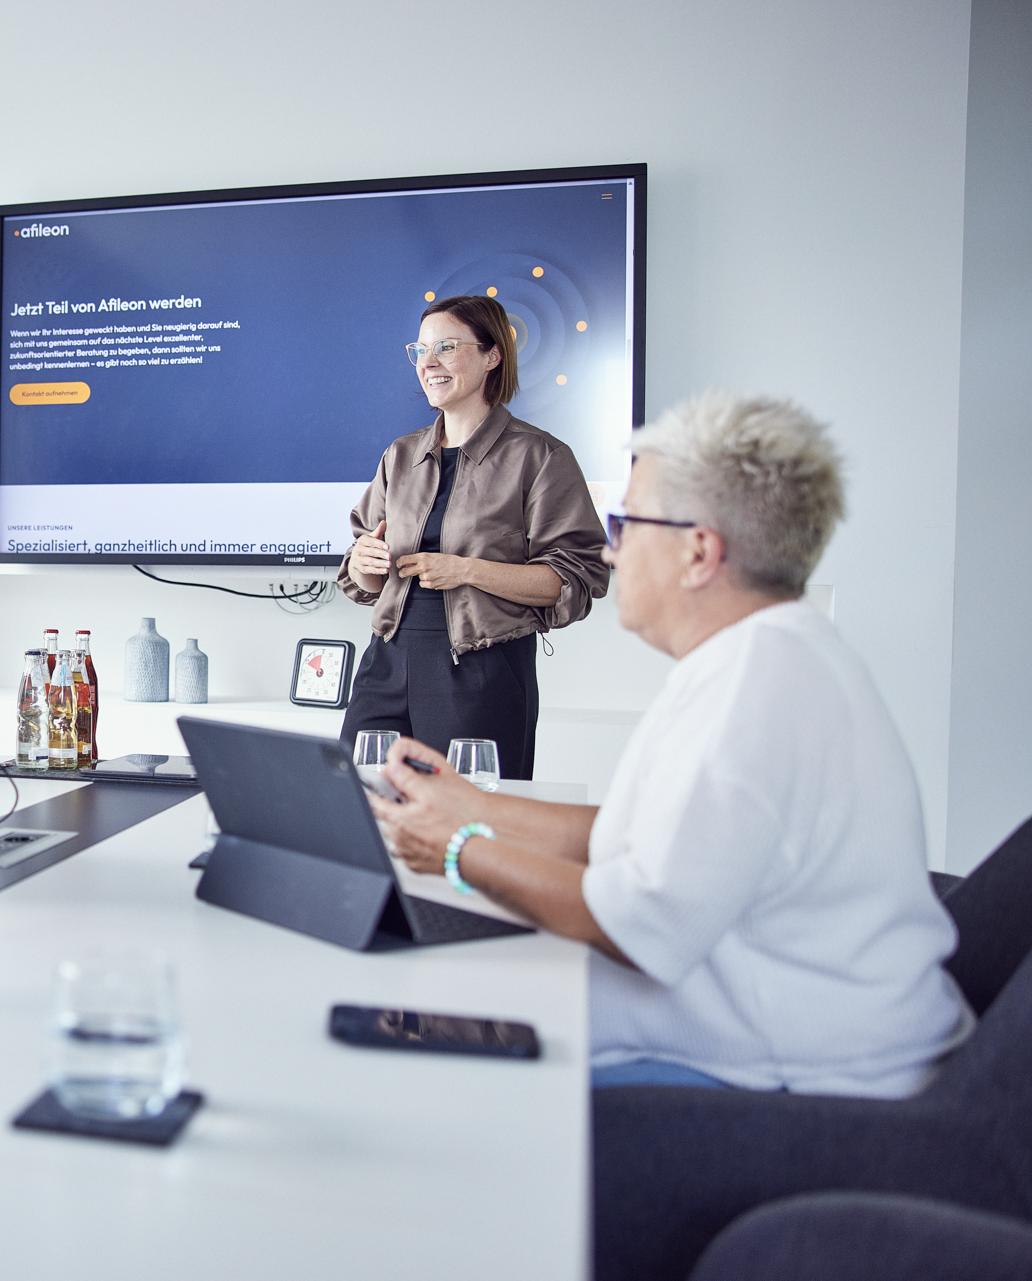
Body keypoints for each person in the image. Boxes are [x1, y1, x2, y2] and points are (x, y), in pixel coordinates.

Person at [370, 391, 971, 1096]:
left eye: (625, 523)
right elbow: (641, 835)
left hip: (790, 1085)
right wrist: (476, 805)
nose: (608, 548)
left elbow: (632, 920)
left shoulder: (758, 682)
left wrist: (456, 846)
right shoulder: (761, 655)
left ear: (697, 551)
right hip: (762, 1046)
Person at [338, 294, 610, 778]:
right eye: (419, 351)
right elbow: (362, 576)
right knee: (362, 806)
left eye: (445, 346)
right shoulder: (399, 455)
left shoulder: (541, 456)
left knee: (470, 823)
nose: (429, 363)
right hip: (387, 660)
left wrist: (467, 570)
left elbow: (577, 580)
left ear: (492, 355)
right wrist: (364, 563)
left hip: (482, 669)